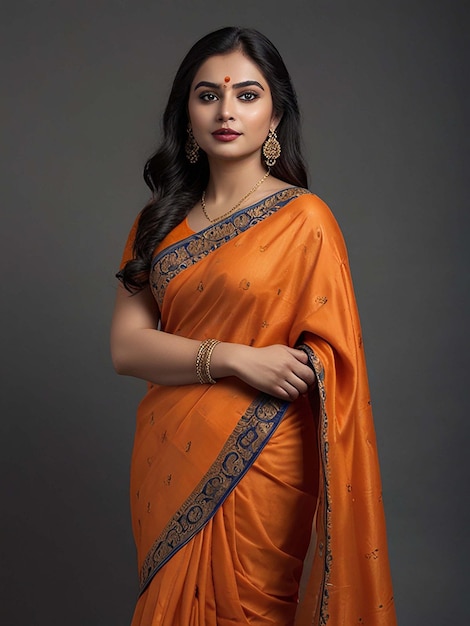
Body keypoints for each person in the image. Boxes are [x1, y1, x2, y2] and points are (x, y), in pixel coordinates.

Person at [111, 26, 397, 626]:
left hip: (264, 456)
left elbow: (334, 355)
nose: (226, 111)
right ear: (185, 114)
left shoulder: (306, 219)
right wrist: (236, 358)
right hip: (169, 456)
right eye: (207, 95)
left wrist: (297, 363)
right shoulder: (156, 223)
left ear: (274, 115)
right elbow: (126, 347)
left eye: (246, 94)